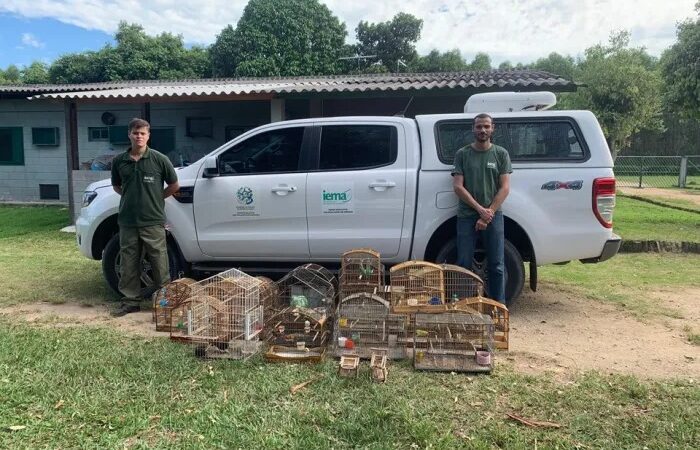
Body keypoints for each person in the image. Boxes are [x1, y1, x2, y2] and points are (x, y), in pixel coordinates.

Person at [110, 118, 179, 315]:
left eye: (143, 133)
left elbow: (174, 186)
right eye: (135, 132)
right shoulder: (119, 161)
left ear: (148, 136)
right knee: (128, 262)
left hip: (153, 220)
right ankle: (130, 301)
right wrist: (131, 197)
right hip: (128, 221)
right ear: (129, 135)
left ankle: (164, 303)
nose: (139, 136)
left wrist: (157, 197)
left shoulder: (159, 159)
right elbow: (117, 186)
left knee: (159, 262)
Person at [451, 113, 512, 303]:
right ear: (473, 129)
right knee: (463, 265)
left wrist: (488, 213)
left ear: (493, 128)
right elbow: (458, 186)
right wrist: (480, 210)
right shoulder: (462, 154)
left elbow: (505, 187)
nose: (482, 130)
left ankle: (498, 307)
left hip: (494, 216)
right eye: (479, 127)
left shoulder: (501, 154)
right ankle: (464, 306)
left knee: (497, 264)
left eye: (486, 126)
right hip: (467, 216)